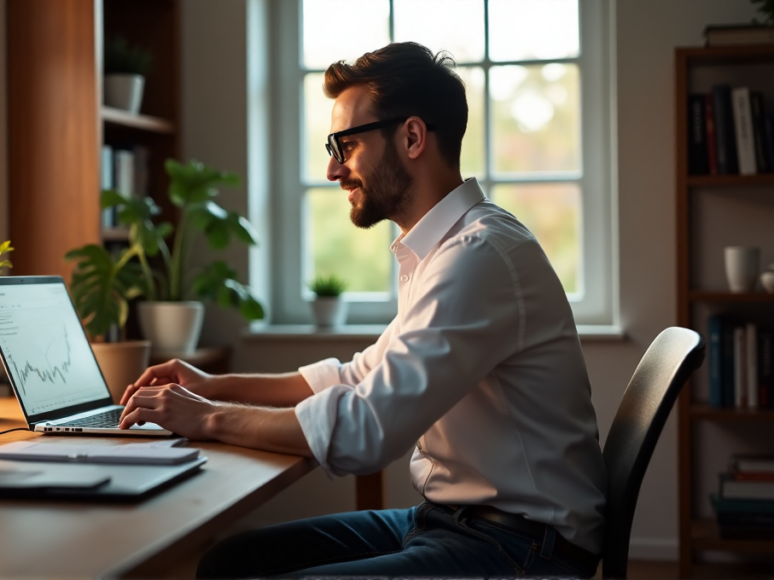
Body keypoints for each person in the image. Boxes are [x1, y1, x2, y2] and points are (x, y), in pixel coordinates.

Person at [118, 41, 606, 578]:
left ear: (412, 137)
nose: (333, 170)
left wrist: (205, 417)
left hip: (517, 547)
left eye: (344, 145)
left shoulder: (477, 257)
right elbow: (355, 377)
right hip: (453, 521)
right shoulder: (446, 250)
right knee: (230, 561)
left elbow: (365, 431)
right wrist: (212, 385)